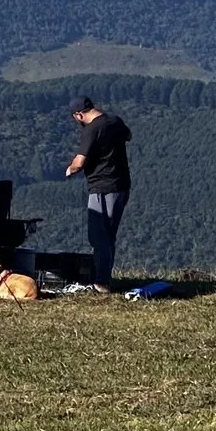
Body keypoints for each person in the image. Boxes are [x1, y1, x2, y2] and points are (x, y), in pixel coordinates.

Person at [63, 96, 132, 288]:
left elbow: (80, 162)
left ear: (78, 115)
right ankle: (104, 276)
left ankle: (102, 282)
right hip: (121, 185)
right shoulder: (115, 121)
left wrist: (70, 170)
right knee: (109, 234)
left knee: (99, 235)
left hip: (102, 186)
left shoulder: (92, 129)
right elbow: (128, 136)